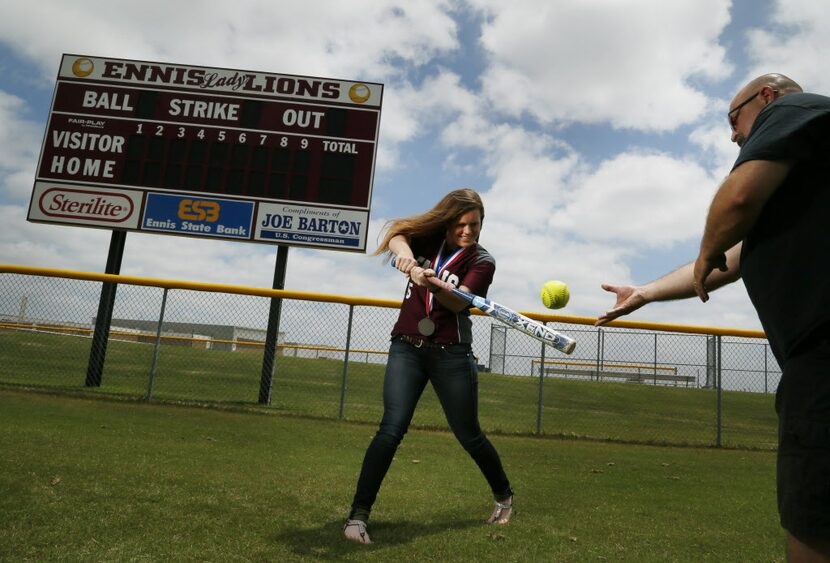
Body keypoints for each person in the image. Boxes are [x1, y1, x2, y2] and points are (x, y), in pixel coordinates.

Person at [596, 73, 830, 560]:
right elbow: (734, 259)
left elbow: (737, 199)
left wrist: (707, 247)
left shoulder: (792, 109)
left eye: (733, 118)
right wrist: (644, 293)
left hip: (823, 358)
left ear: (765, 96)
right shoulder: (801, 191)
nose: (733, 134)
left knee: (815, 526)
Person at [343, 188, 514, 544]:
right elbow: (396, 236)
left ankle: (503, 495)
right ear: (447, 221)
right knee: (391, 428)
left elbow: (455, 303)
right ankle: (357, 517)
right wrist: (407, 258)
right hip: (406, 346)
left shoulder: (482, 261)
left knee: (469, 434)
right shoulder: (430, 238)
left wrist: (430, 281)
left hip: (451, 353)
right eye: (461, 224)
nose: (467, 231)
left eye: (475, 225)